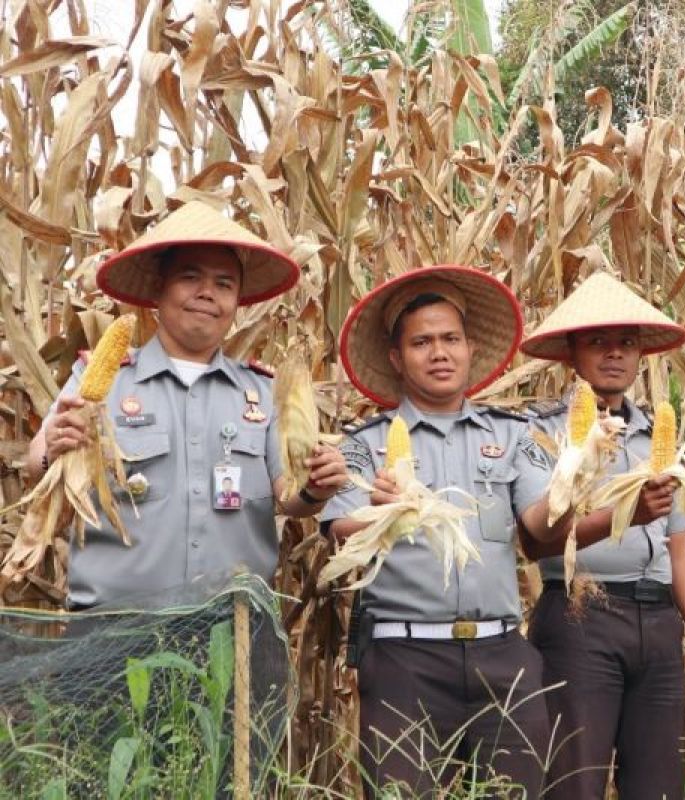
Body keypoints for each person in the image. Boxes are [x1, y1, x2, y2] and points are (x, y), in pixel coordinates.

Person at [324, 265, 609, 797]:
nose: (439, 353)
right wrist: (379, 512)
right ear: (396, 358)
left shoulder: (513, 436)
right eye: (422, 342)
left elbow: (539, 527)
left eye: (450, 339)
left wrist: (578, 470)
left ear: (470, 348)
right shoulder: (364, 445)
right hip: (404, 661)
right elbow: (340, 530)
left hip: (502, 655)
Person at [28, 201, 347, 609]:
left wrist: (317, 488)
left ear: (237, 302)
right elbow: (37, 459)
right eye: (190, 277)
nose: (206, 293)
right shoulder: (103, 380)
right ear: (159, 288)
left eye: (224, 284)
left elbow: (288, 496)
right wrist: (52, 448)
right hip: (114, 630)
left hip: (231, 629)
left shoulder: (263, 392)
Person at [517, 272, 685, 799]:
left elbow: (680, 553)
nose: (614, 354)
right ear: (571, 352)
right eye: (598, 342)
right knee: (573, 785)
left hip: (657, 626)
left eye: (627, 343)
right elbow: (536, 540)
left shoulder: (661, 437)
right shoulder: (542, 433)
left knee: (657, 789)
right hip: (579, 618)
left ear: (640, 357)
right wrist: (622, 516)